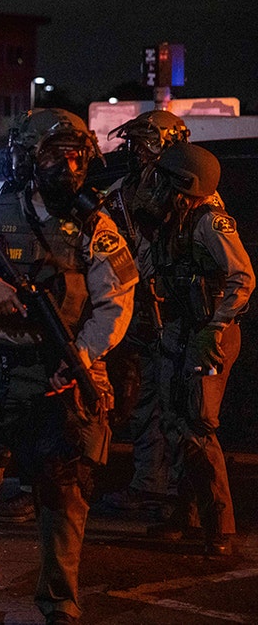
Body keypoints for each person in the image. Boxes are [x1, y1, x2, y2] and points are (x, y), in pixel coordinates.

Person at [0, 108, 136, 624]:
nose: (67, 167)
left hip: (61, 372)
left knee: (63, 490)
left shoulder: (95, 224)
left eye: (75, 155)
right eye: (54, 156)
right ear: (28, 160)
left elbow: (116, 302)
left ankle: (59, 596)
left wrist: (81, 355)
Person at [136, 142, 253, 556]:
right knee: (174, 421)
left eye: (163, 180)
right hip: (179, 330)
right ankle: (186, 513)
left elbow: (243, 279)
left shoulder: (209, 222)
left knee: (199, 425)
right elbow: (149, 270)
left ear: (183, 185)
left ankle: (218, 527)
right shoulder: (169, 220)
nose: (154, 186)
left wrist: (214, 329)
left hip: (209, 334)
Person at [99, 110, 192, 513]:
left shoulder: (187, 188)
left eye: (142, 143)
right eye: (133, 143)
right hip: (139, 309)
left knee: (177, 405)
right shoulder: (124, 189)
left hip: (176, 313)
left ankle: (181, 493)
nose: (134, 151)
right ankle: (148, 482)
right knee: (143, 399)